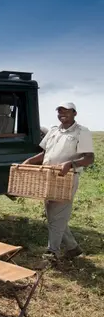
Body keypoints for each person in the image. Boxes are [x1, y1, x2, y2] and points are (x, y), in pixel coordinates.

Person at [23, 102, 95, 261]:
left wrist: (71, 164)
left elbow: (90, 158)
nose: (62, 114)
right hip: (49, 176)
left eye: (66, 112)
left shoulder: (82, 132)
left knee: (57, 214)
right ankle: (73, 247)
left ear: (74, 113)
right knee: (53, 214)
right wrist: (30, 161)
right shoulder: (54, 131)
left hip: (66, 178)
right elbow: (44, 153)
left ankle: (52, 253)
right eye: (59, 112)